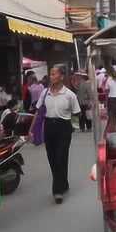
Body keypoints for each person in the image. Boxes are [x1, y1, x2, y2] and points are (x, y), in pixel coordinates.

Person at [33, 66, 80, 204]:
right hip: (49, 127)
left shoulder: (70, 95)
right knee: (52, 158)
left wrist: (73, 127)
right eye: (50, 74)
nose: (51, 76)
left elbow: (76, 113)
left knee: (61, 157)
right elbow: (38, 111)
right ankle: (63, 183)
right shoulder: (44, 92)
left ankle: (57, 191)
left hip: (64, 127)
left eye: (54, 74)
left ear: (61, 77)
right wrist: (32, 130)